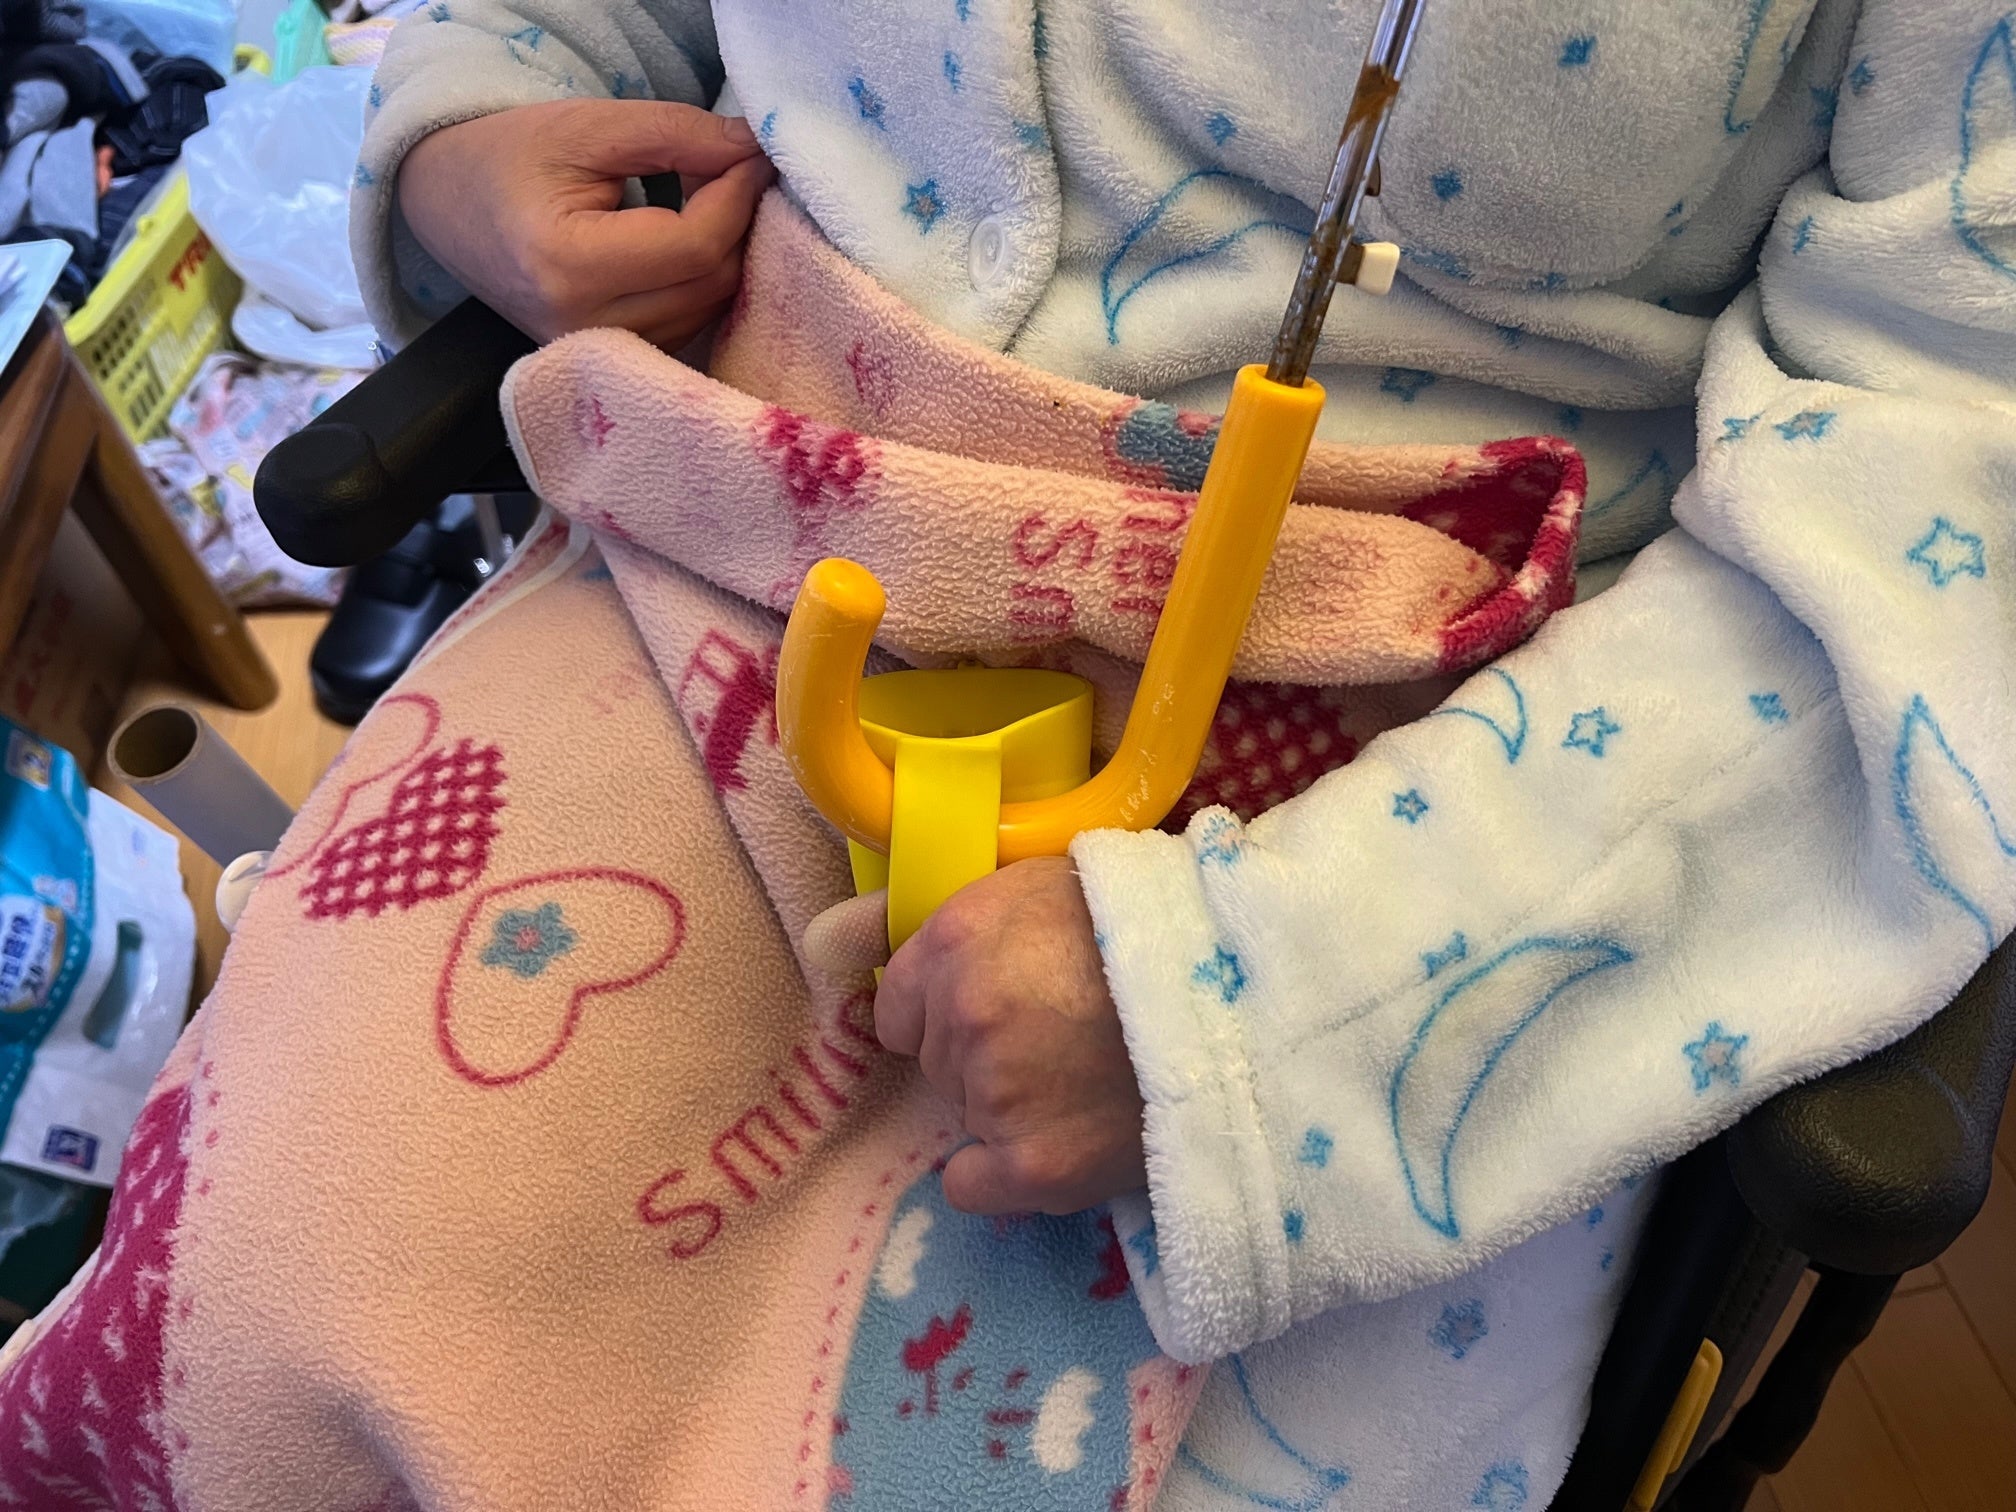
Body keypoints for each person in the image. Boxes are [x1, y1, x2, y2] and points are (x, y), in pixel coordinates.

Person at [3, 2, 2011, 1508]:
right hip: (747, 531)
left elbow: (1950, 500)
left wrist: (1265, 1010)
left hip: (1456, 776)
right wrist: (478, 121)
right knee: (255, 1318)